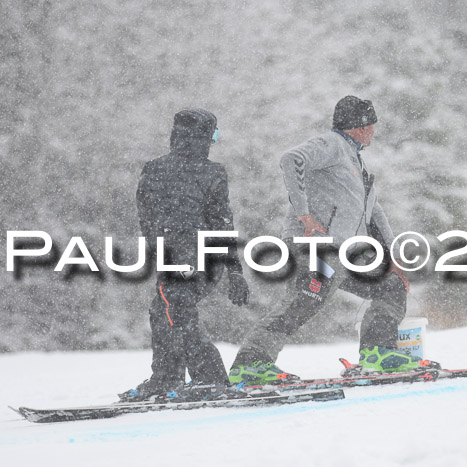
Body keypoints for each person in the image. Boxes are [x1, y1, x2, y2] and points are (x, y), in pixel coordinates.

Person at [229, 96, 422, 385]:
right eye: (371, 125)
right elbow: (291, 159)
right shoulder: (331, 144)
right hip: (315, 246)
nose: (373, 131)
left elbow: (374, 211)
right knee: (305, 299)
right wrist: (304, 214)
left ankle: (378, 353)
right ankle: (251, 363)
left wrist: (392, 257)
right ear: (359, 126)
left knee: (390, 285)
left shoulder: (356, 160)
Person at [121, 109, 250, 401]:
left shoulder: (155, 169)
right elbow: (222, 223)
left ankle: (206, 377)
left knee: (175, 310)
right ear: (205, 136)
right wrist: (233, 270)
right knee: (163, 310)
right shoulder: (211, 172)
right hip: (201, 257)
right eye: (214, 135)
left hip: (186, 257)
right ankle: (171, 376)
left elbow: (148, 219)